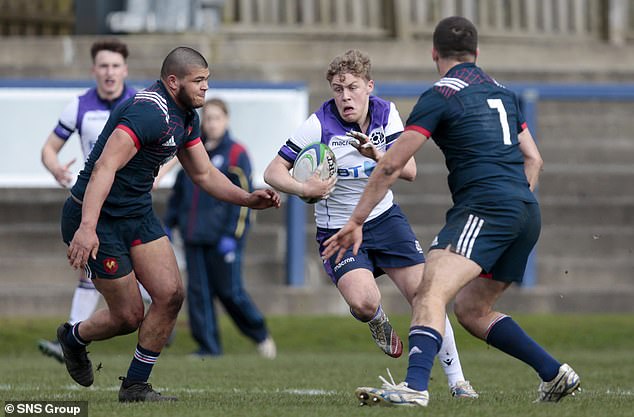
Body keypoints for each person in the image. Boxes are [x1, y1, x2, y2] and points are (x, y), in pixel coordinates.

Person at [322, 17, 581, 407]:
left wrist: (355, 220)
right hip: (526, 211)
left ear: (434, 54)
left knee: (429, 291)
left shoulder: (440, 95)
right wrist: (514, 202)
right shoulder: (504, 92)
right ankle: (554, 373)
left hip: (485, 208)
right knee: (472, 310)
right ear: (477, 53)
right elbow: (535, 159)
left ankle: (414, 388)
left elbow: (393, 165)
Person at [57, 46, 280, 402]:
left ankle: (135, 386)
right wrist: (86, 228)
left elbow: (204, 173)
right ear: (173, 81)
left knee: (171, 294)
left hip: (136, 214)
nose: (206, 88)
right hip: (97, 217)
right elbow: (104, 168)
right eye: (199, 81)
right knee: (129, 316)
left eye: (207, 80)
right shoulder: (148, 112)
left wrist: (247, 197)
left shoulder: (186, 115)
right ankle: (73, 337)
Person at [264, 49, 477, 398]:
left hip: (384, 219)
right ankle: (377, 321)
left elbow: (409, 172)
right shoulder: (320, 124)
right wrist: (304, 187)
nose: (345, 96)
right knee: (363, 302)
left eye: (352, 87)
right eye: (337, 89)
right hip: (338, 229)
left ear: (369, 86)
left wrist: (378, 155)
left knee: (426, 296)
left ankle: (458, 382)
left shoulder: (386, 113)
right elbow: (272, 172)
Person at [38, 38, 140, 363]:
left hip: (133, 202)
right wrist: (56, 168)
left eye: (115, 66)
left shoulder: (140, 103)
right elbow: (48, 148)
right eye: (103, 66)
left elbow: (170, 148)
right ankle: (70, 337)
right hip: (95, 203)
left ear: (124, 69)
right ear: (93, 70)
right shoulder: (79, 106)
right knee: (89, 269)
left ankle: (154, 317)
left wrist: (159, 175)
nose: (109, 72)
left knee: (147, 270)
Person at [163, 98, 276, 359]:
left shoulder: (237, 153)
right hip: (194, 235)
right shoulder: (192, 149)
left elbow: (245, 199)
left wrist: (232, 236)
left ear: (226, 120)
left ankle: (260, 334)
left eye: (216, 118)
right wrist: (169, 223)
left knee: (230, 292)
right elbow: (180, 192)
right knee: (198, 294)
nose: (211, 124)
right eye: (208, 118)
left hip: (223, 238)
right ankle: (208, 347)